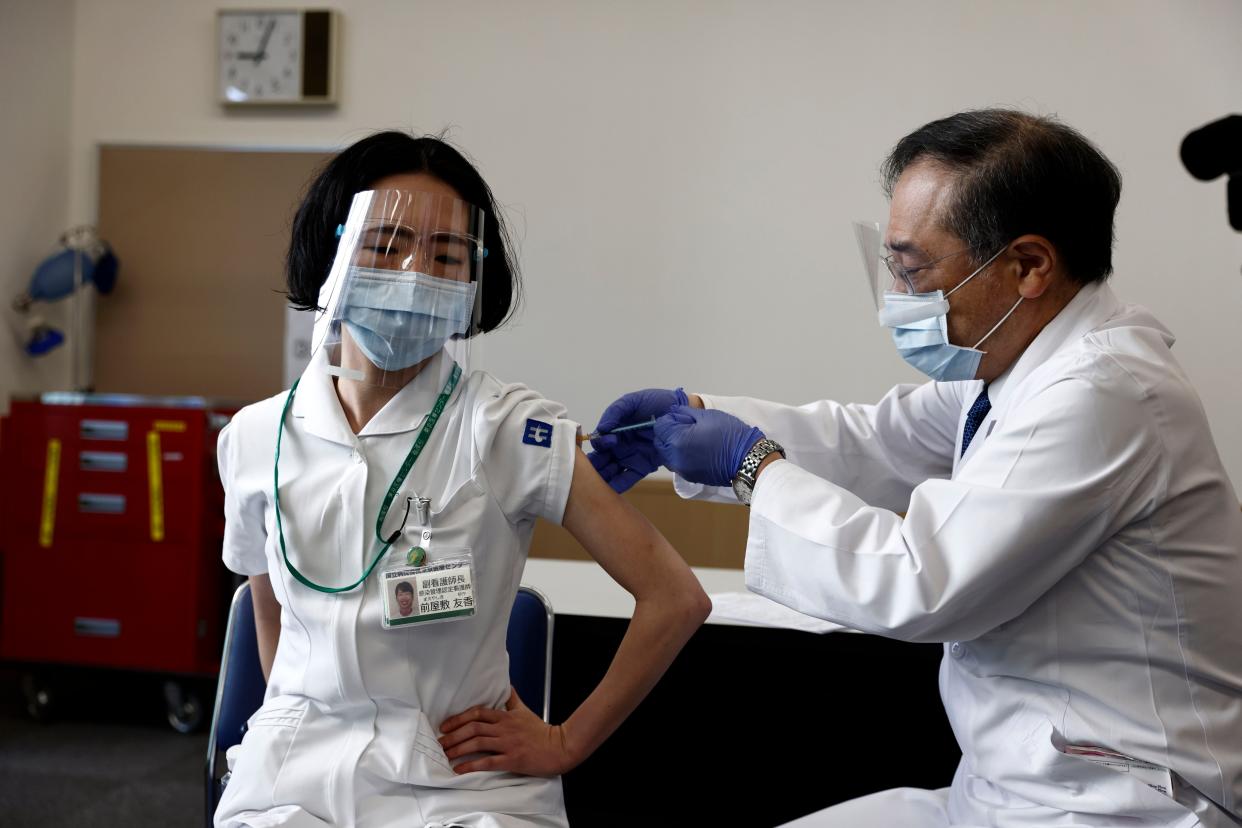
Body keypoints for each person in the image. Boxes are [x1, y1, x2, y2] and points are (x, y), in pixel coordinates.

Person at [589, 110, 1242, 827]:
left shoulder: (1102, 392)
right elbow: (874, 440)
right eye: (893, 267)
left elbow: (923, 582)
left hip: (1120, 807)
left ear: (1027, 267)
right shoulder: (1018, 368)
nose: (901, 298)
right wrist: (697, 414)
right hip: (1014, 792)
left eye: (916, 270)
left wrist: (749, 464)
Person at [215, 130, 711, 828]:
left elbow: (675, 598)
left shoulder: (510, 428)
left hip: (460, 784)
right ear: (331, 253)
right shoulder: (255, 437)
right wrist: (292, 717)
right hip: (291, 779)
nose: (415, 272)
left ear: (473, 280)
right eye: (387, 244)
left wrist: (566, 741)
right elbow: (265, 605)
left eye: (446, 255)